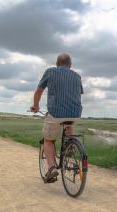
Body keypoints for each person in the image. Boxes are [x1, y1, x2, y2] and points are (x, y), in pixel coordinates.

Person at [31, 53, 83, 183]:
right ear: (70, 65)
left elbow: (38, 91)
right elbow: (78, 93)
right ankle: (70, 146)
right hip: (75, 114)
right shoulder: (77, 76)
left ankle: (52, 168)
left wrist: (35, 106)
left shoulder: (50, 72)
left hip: (55, 113)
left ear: (57, 64)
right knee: (69, 123)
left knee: (48, 141)